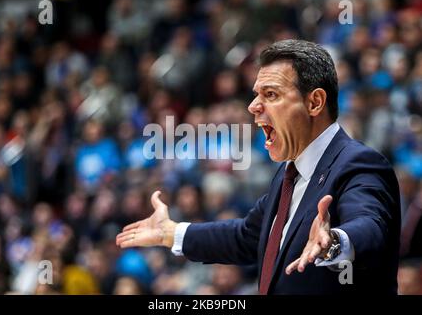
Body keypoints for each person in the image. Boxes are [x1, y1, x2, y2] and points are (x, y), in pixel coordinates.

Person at [116, 40, 401, 295]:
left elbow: (372, 226)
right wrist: (173, 233)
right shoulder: (289, 173)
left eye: (271, 94)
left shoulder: (359, 164)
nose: (253, 106)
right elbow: (248, 237)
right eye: (256, 94)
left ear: (315, 102)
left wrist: (335, 242)